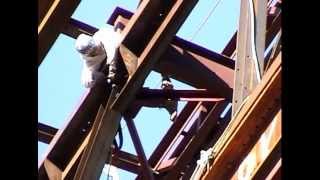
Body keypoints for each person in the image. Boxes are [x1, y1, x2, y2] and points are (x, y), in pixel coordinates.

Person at [75, 25, 177, 120]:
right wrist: (100, 77)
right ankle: (165, 102)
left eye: (96, 49)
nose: (97, 52)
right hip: (126, 77)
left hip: (130, 57)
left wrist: (112, 70)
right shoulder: (89, 63)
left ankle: (165, 78)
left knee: (142, 47)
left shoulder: (102, 35)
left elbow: (115, 44)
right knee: (127, 108)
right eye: (93, 52)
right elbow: (87, 81)